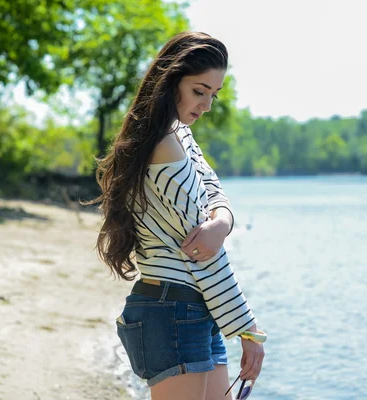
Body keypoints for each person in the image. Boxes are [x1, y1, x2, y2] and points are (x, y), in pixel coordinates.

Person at [84, 31, 265, 400]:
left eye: (213, 94)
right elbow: (203, 256)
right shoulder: (165, 146)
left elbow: (215, 190)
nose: (207, 105)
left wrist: (222, 223)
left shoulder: (178, 133)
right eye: (199, 91)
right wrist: (248, 331)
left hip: (194, 309)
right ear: (170, 82)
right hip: (172, 309)